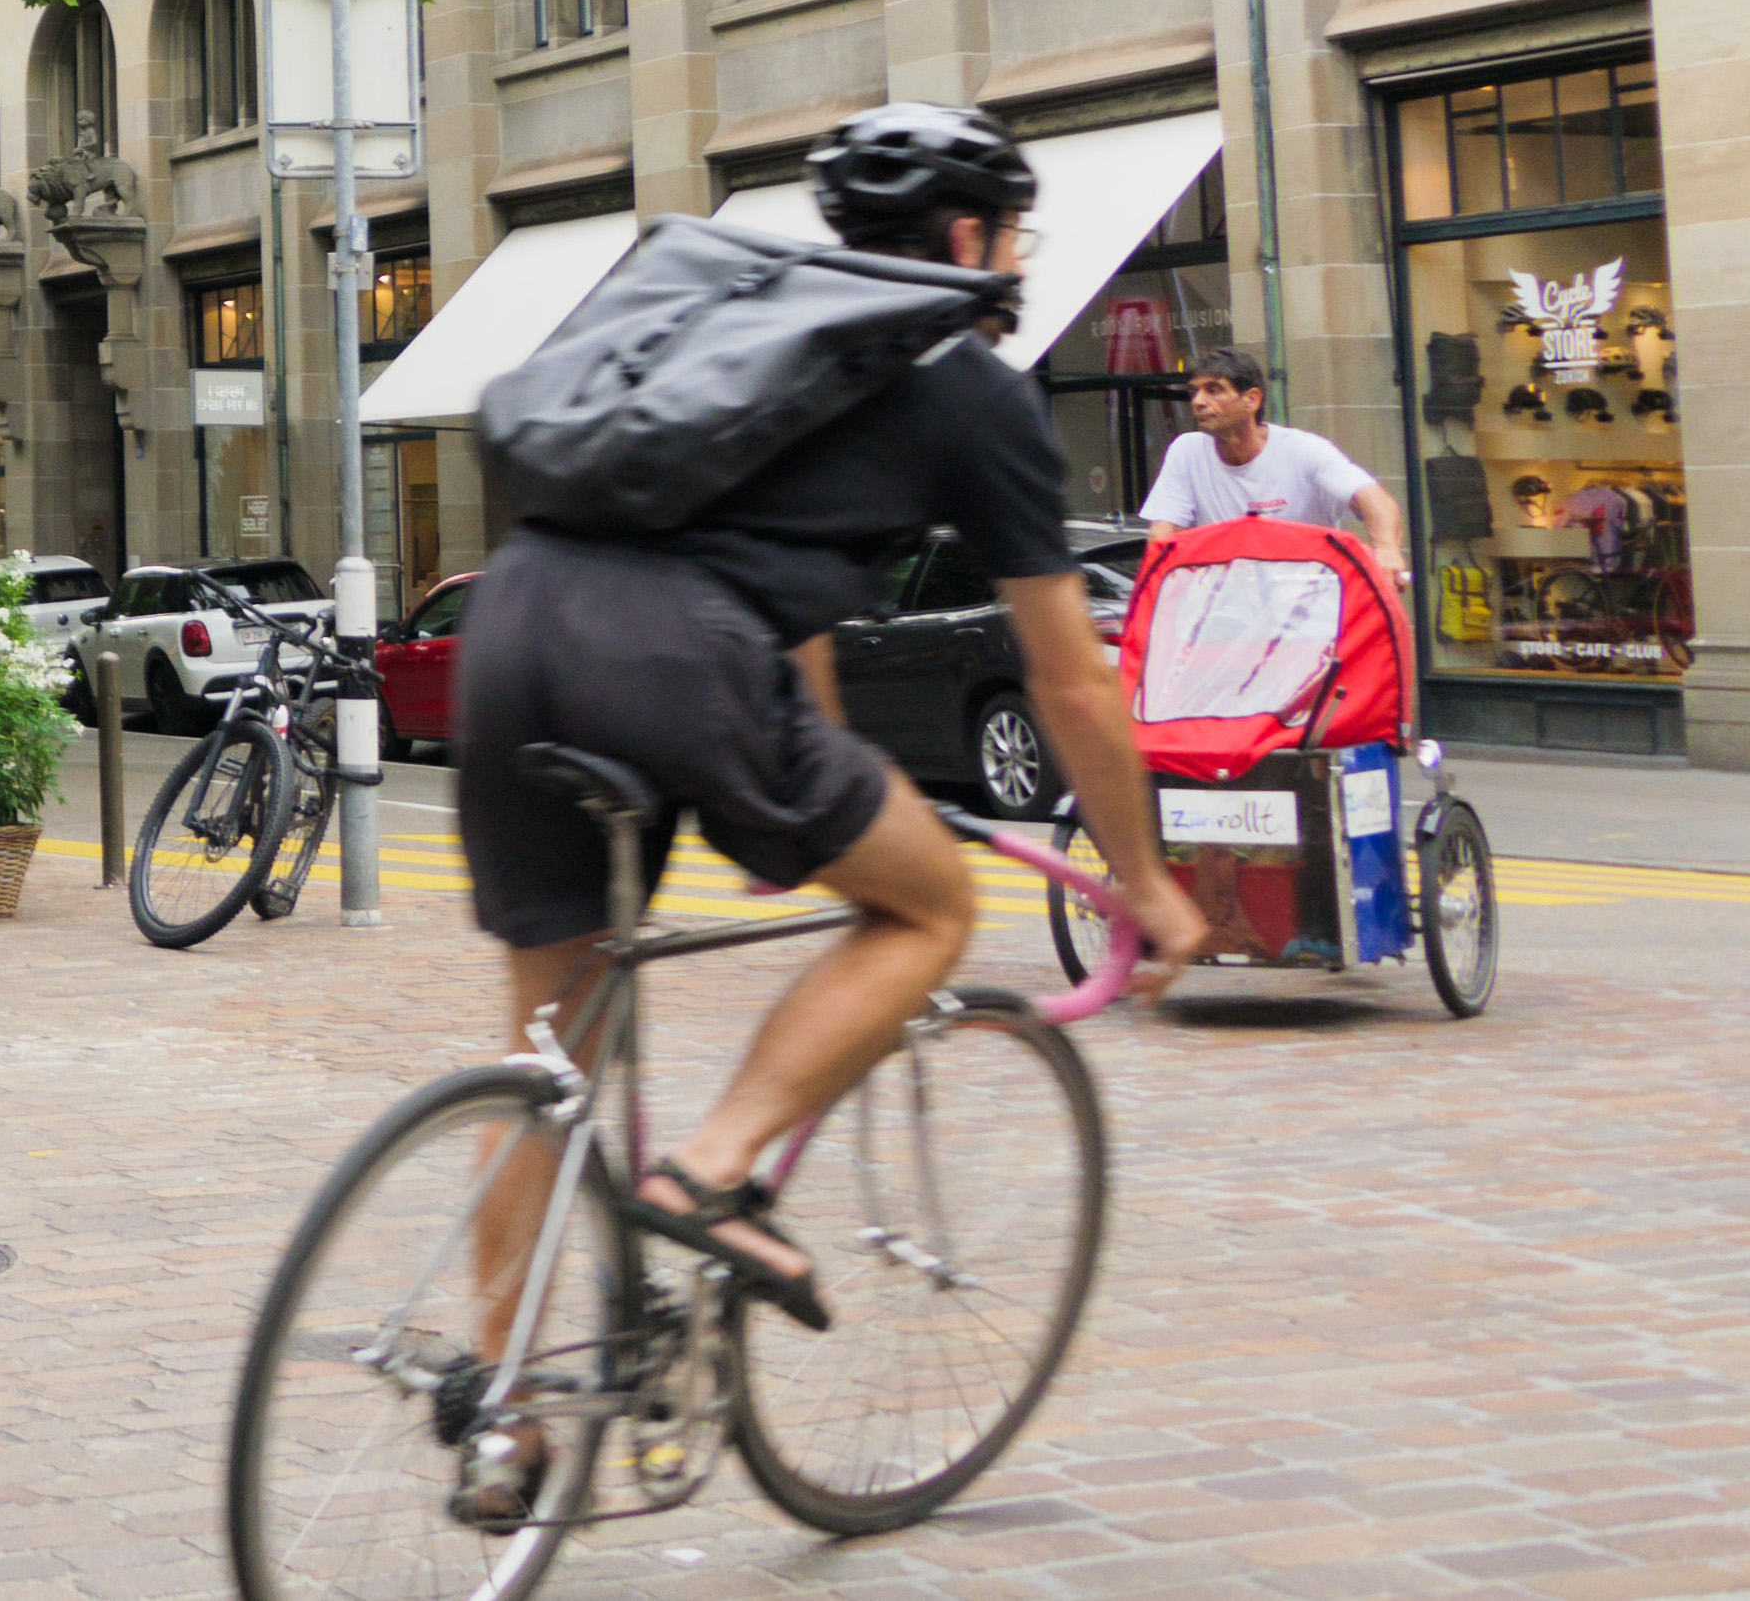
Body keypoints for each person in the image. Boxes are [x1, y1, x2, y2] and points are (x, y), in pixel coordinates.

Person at [454, 103, 1206, 1370]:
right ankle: (712, 1168)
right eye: (1014, 235)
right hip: (678, 656)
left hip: (512, 620)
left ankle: (499, 1402)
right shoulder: (968, 388)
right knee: (929, 908)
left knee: (553, 1048)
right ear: (969, 234)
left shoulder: (748, 325)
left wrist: (819, 788)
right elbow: (1073, 680)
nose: (1017, 264)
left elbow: (798, 609)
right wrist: (1147, 885)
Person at [1140, 347, 1409, 583]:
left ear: (1252, 400)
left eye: (1213, 390)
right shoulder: (1186, 451)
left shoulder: (1303, 450)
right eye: (1194, 391)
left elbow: (1374, 499)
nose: (1198, 401)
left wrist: (1386, 549)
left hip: (1307, 616)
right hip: (1228, 621)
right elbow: (1162, 537)